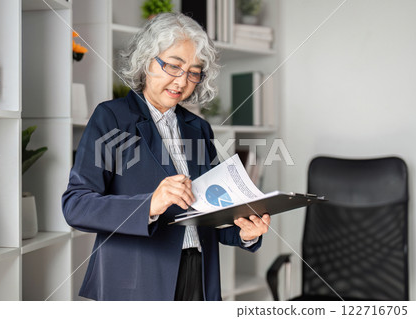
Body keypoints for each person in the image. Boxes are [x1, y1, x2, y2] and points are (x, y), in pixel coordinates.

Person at [62, 12, 270, 301]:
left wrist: (247, 233)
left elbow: (208, 214)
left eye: (193, 72)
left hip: (198, 275)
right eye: (174, 66)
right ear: (147, 61)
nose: (182, 81)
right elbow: (76, 206)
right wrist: (150, 205)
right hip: (136, 280)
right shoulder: (112, 118)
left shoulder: (198, 128)